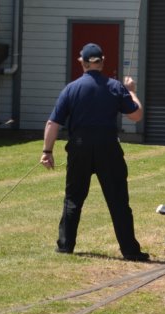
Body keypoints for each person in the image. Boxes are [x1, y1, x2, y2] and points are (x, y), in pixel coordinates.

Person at [40, 43, 149, 261]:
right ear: (102, 62)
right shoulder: (115, 87)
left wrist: (47, 151)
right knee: (118, 200)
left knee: (73, 199)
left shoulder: (71, 88)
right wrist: (132, 92)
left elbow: (53, 123)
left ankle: (65, 246)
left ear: (82, 62)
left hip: (79, 148)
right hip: (108, 149)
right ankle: (129, 250)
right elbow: (136, 115)